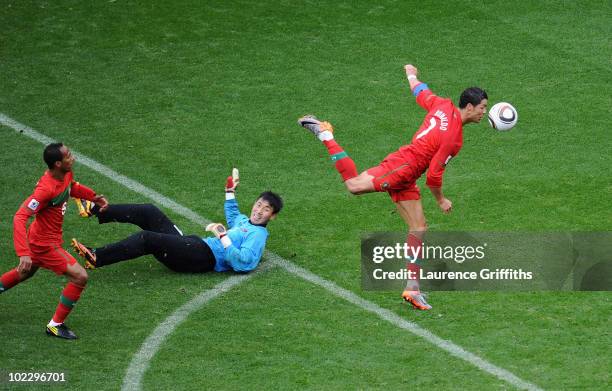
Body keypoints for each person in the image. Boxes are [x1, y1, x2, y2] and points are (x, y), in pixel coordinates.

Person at [297, 64, 488, 310]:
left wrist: (411, 73)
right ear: (470, 107)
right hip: (404, 167)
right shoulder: (453, 138)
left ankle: (412, 288)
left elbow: (420, 91)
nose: (484, 112)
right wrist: (441, 200)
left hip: (408, 173)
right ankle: (325, 135)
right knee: (354, 186)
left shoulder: (442, 104)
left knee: (418, 227)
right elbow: (433, 177)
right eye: (482, 107)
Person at [71, 169, 282, 274]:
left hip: (201, 257)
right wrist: (229, 191)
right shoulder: (245, 222)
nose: (259, 210)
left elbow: (244, 263)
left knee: (147, 239)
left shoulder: (258, 236)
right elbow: (234, 214)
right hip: (194, 246)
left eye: (266, 209)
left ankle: (98, 257)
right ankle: (95, 209)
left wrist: (224, 237)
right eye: (258, 204)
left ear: (272, 216)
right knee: (148, 211)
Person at [0, 143, 109, 339]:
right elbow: (19, 217)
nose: (72, 158)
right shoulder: (45, 190)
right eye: (68, 156)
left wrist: (93, 197)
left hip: (40, 238)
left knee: (24, 274)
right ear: (58, 163)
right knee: (80, 276)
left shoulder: (65, 174)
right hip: (44, 245)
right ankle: (55, 325)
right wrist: (23, 252)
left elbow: (71, 187)